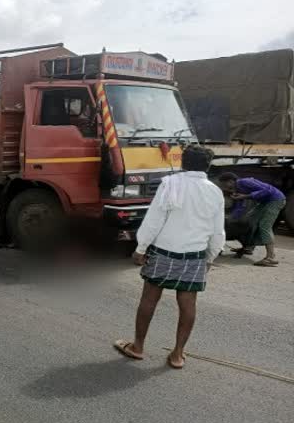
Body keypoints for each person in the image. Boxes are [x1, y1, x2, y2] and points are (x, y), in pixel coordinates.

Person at [114, 145, 225, 369]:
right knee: (188, 306)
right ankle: (177, 354)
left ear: (183, 162)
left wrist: (141, 248)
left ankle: (137, 347)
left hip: (163, 252)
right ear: (208, 166)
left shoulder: (170, 184)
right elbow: (217, 230)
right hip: (194, 256)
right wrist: (211, 256)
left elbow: (155, 219)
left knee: (149, 300)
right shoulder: (214, 191)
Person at [218, 173, 286, 267]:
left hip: (275, 199)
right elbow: (240, 207)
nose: (224, 187)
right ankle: (248, 247)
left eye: (225, 185)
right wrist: (230, 218)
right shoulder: (238, 189)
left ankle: (270, 257)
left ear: (230, 181)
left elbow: (267, 191)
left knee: (264, 226)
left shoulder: (245, 181)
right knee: (250, 220)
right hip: (264, 202)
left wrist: (245, 196)